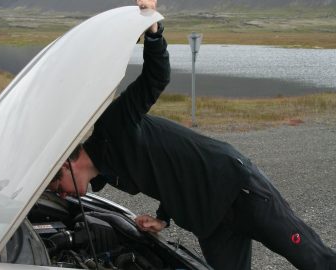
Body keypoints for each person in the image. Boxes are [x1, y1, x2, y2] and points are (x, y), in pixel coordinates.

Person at [48, 0, 336, 269]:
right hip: (211, 226)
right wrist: (162, 218)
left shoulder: (112, 126)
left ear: (66, 164)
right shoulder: (108, 174)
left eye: (58, 186)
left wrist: (152, 32)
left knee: (313, 259)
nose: (62, 195)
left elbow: (156, 78)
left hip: (237, 189)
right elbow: (167, 172)